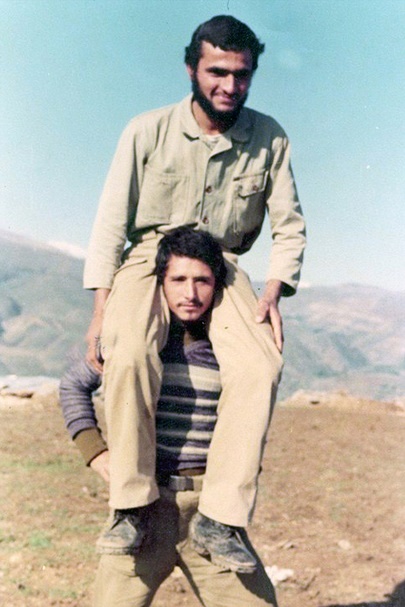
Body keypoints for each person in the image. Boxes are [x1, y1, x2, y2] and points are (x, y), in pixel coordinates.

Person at [83, 14, 306, 570]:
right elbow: (110, 223)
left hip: (221, 265)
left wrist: (274, 289)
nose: (229, 86)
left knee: (260, 365)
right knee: (128, 350)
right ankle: (130, 504)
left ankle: (221, 517)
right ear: (192, 69)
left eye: (241, 75)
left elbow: (289, 226)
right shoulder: (145, 130)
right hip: (150, 259)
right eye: (217, 72)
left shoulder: (271, 138)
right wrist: (101, 311)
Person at [60, 228, 279, 606]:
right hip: (143, 515)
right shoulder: (137, 345)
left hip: (210, 514)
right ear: (160, 281)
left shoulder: (233, 351)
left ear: (217, 285)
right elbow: (73, 386)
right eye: (178, 279)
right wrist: (96, 453)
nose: (190, 293)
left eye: (202, 281)